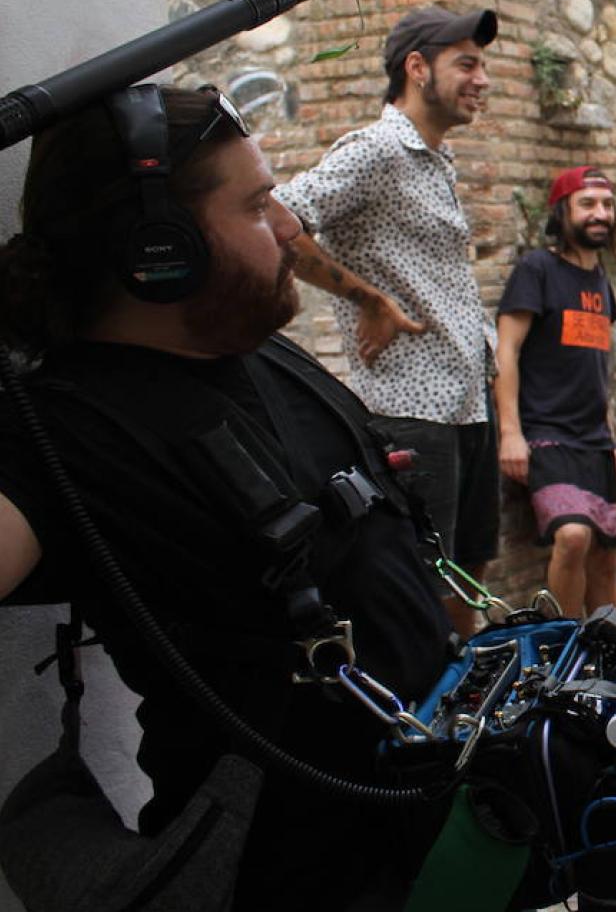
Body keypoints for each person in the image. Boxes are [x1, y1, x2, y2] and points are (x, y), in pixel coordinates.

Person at [0, 86, 452, 910]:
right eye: (254, 205)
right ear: (156, 247)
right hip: (289, 885)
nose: (289, 227)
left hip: (429, 858)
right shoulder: (61, 435)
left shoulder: (256, 349)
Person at [275, 6, 501, 636]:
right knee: (423, 593)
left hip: (467, 402)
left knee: (470, 580)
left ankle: (471, 721)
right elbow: (281, 221)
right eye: (467, 64)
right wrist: (368, 299)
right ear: (417, 67)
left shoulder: (437, 159)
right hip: (411, 408)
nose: (482, 79)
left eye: (483, 65)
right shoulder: (377, 148)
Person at [495, 165, 616, 618]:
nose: (600, 214)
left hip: (595, 443)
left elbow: (597, 372)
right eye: (587, 204)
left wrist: (614, 441)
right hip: (547, 435)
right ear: (562, 211)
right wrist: (510, 433)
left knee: (605, 559)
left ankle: (615, 657)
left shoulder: (601, 282)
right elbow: (506, 350)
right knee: (573, 537)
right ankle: (566, 647)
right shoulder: (538, 269)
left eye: (607, 205)